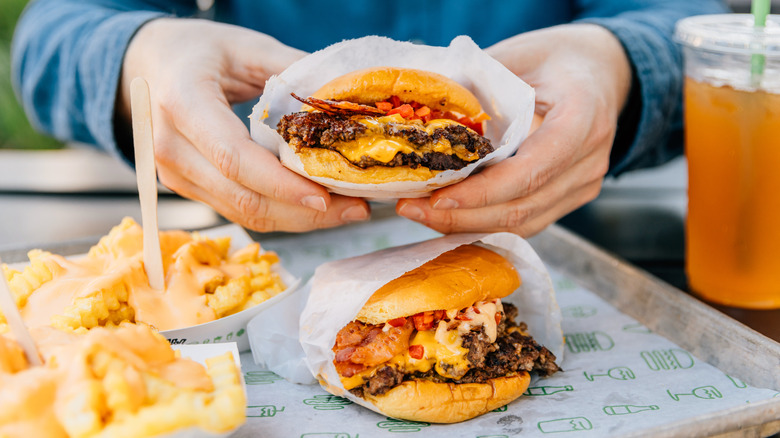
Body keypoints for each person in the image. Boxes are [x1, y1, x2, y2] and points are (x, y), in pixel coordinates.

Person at [12, 0, 728, 236]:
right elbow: (48, 37)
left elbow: (692, 23)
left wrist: (620, 61)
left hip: (559, 239)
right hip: (257, 241)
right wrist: (142, 54)